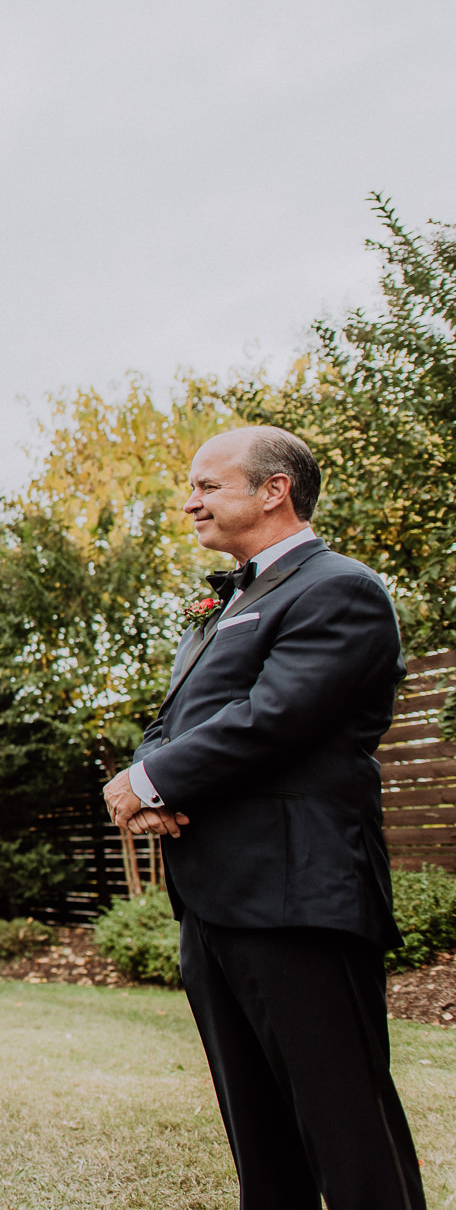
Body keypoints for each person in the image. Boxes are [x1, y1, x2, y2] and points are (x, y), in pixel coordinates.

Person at [102, 426, 424, 1209]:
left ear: (274, 489)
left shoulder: (338, 589)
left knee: (346, 1132)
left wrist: (146, 783)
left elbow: (273, 718)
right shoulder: (225, 603)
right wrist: (151, 781)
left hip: (297, 898)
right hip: (213, 899)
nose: (191, 503)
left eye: (208, 486)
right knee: (259, 1136)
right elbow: (176, 720)